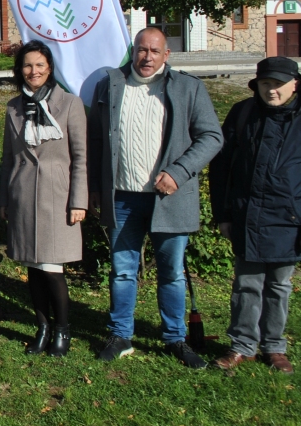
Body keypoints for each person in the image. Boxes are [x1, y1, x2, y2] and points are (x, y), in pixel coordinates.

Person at [88, 27, 223, 367]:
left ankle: (175, 339)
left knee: (172, 273)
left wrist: (178, 172)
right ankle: (120, 335)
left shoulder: (188, 88)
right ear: (133, 52)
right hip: (123, 197)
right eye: (141, 50)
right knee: (122, 271)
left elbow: (211, 137)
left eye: (154, 51)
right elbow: (95, 141)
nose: (147, 57)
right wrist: (95, 188)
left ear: (167, 55)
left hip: (170, 199)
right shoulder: (110, 85)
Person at [209, 57, 301, 373]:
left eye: (278, 84)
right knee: (246, 284)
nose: (271, 90)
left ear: (295, 84)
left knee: (279, 285)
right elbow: (221, 167)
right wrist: (223, 214)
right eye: (265, 83)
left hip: (289, 220)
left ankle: (274, 347)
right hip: (247, 216)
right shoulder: (243, 113)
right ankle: (242, 346)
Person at [0, 41, 87, 357]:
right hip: (23, 194)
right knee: (33, 268)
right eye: (27, 65)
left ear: (50, 68)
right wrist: (4, 199)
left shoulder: (70, 104)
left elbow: (80, 157)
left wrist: (79, 200)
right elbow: (8, 157)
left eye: (39, 65)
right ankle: (43, 327)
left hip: (57, 196)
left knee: (52, 268)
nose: (33, 71)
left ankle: (62, 329)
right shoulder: (13, 107)